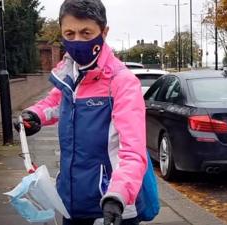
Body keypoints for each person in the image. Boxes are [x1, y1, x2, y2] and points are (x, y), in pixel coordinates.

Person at [15, 0, 147, 224]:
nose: (77, 40)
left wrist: (117, 195)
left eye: (86, 33)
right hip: (70, 202)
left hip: (109, 205)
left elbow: (133, 151)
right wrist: (34, 115)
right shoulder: (69, 75)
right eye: (70, 33)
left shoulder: (121, 82)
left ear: (104, 32)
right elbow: (55, 102)